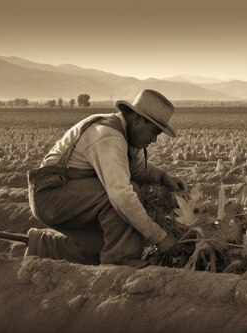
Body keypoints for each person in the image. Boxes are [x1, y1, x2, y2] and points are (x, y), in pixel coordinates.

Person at [26, 89, 185, 268]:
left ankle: (40, 246)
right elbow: (121, 197)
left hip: (68, 195)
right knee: (125, 195)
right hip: (50, 196)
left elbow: (138, 168)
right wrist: (160, 238)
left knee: (99, 248)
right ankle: (121, 262)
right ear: (138, 119)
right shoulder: (109, 137)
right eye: (154, 131)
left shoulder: (128, 134)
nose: (155, 139)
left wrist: (163, 177)